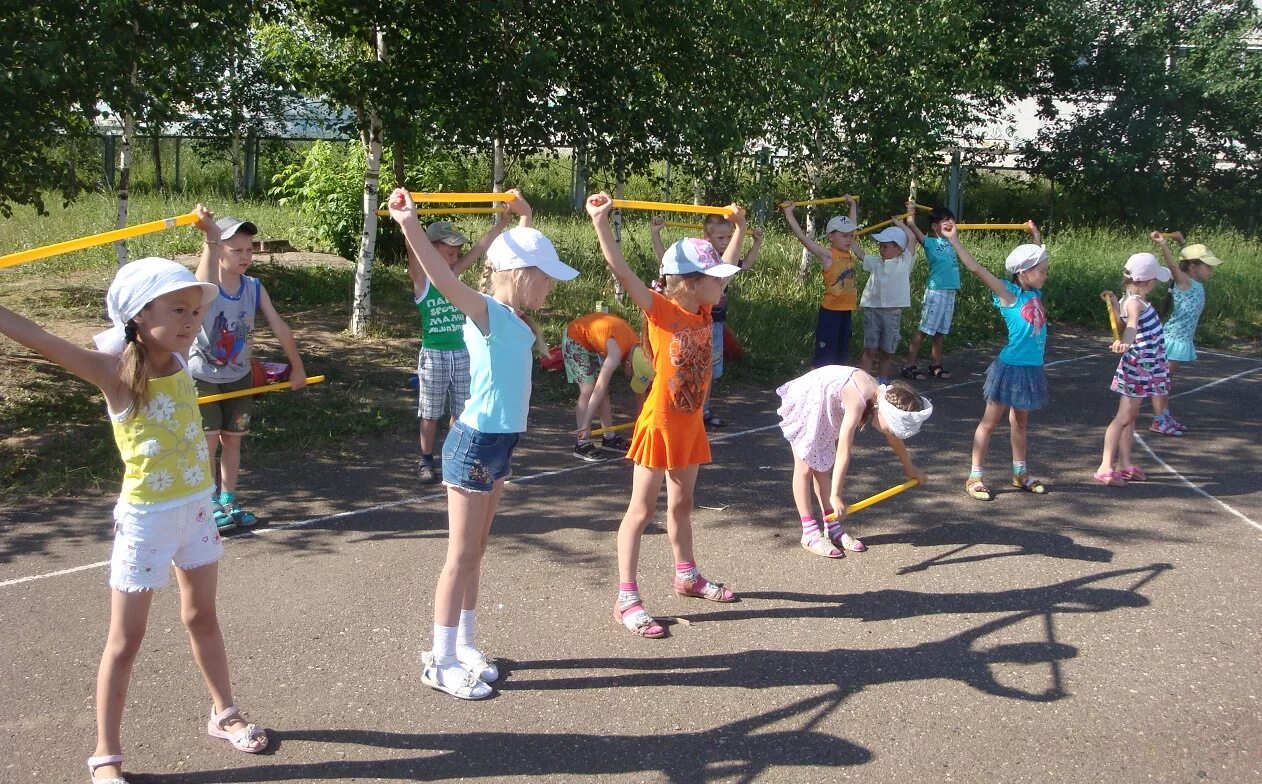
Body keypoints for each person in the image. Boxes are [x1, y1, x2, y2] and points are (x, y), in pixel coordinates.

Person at [0, 252, 269, 784]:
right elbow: (42, 341)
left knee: (202, 618)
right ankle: (106, 755)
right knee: (125, 640)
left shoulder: (184, 361)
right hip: (147, 520)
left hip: (197, 510)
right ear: (139, 317)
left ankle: (225, 712)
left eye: (195, 311)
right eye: (179, 311)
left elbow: (202, 276)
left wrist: (210, 242)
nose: (192, 321)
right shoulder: (115, 373)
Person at [387, 187, 578, 699]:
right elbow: (443, 277)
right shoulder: (487, 312)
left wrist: (524, 219)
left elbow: (514, 244)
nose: (550, 291)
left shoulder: (515, 318)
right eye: (545, 280)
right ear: (521, 276)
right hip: (473, 446)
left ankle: (465, 644)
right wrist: (409, 223)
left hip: (498, 446)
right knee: (460, 555)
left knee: (476, 552)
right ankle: (440, 658)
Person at [588, 191, 745, 639]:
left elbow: (726, 265)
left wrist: (739, 228)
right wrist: (601, 222)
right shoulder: (662, 310)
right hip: (660, 423)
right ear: (690, 282)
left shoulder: (704, 307)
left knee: (682, 505)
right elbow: (621, 269)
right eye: (715, 278)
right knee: (641, 511)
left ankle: (686, 575)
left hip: (690, 423)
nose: (723, 284)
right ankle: (626, 597)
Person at [191, 214, 307, 531]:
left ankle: (228, 500)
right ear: (220, 251)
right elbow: (200, 284)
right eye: (236, 250)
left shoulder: (254, 287)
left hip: (239, 378)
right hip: (203, 377)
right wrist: (209, 238)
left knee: (233, 440)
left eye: (249, 250)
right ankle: (206, 503)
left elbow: (279, 327)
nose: (245, 257)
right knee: (208, 442)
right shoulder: (208, 285)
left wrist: (296, 367)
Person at [409, 194, 532, 482]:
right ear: (431, 249)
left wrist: (502, 223)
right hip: (435, 354)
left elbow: (480, 248)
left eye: (456, 254)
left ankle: (453, 455)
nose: (456, 258)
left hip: (462, 353)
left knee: (462, 410)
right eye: (449, 252)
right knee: (429, 412)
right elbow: (414, 249)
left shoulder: (453, 276)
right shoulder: (423, 280)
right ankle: (425, 460)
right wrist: (409, 221)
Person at [776, 367, 930, 558]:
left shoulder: (882, 399)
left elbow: (894, 439)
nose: (889, 433)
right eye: (890, 428)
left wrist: (909, 467)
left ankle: (831, 524)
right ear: (881, 412)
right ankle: (809, 532)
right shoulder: (858, 399)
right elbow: (844, 450)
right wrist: (836, 495)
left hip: (825, 405)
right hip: (810, 399)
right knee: (805, 466)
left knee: (822, 466)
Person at [948, 223, 1052, 501]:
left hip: (1031, 369)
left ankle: (1020, 473)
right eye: (1041, 271)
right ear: (1024, 273)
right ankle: (975, 476)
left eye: (1045, 270)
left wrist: (1035, 238)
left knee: (1020, 423)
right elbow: (976, 269)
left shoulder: (1034, 293)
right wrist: (955, 240)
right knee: (989, 423)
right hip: (1010, 369)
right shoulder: (1009, 294)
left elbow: (1037, 256)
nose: (1045, 275)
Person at [651, 214, 762, 427]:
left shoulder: (706, 304)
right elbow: (667, 265)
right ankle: (694, 408)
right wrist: (655, 235)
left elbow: (738, 262)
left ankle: (703, 408)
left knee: (706, 368)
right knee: (684, 369)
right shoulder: (690, 274)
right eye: (721, 237)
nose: (726, 242)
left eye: (729, 237)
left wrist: (743, 230)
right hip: (664, 415)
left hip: (712, 322)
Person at [1097, 253, 1171, 486]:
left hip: (1145, 368)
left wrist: (1114, 308)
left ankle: (1125, 463)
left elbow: (1122, 323)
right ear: (1148, 282)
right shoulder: (1135, 303)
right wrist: (1126, 342)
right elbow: (1130, 328)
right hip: (1138, 368)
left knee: (1132, 416)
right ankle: (1105, 466)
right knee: (1123, 417)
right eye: (1155, 281)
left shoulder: (1129, 301)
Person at [1147, 232, 1222, 435]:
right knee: (1161, 382)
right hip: (1171, 340)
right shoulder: (1184, 282)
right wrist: (1163, 244)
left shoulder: (1194, 282)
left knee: (1166, 382)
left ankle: (1165, 415)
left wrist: (1182, 242)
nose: (1211, 270)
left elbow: (1185, 258)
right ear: (1194, 267)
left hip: (1181, 340)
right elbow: (1174, 265)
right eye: (1208, 266)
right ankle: (1158, 420)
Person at [563, 311, 654, 461]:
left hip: (595, 340)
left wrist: (643, 424)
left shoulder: (638, 349)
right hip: (575, 337)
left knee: (603, 392)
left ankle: (609, 437)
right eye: (632, 375)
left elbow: (640, 395)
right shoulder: (616, 355)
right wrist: (587, 422)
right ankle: (582, 441)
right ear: (628, 365)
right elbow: (598, 388)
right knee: (589, 388)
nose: (629, 376)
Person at [782, 197, 859, 367]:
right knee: (825, 355)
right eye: (844, 235)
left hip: (846, 311)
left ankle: (837, 388)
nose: (849, 239)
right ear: (831, 236)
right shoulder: (828, 255)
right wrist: (789, 214)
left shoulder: (848, 251)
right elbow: (803, 238)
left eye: (851, 236)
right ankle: (819, 384)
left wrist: (852, 204)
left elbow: (853, 224)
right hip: (830, 313)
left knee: (842, 354)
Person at [901, 205, 961, 381]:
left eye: (952, 220)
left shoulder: (951, 241)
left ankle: (935, 364)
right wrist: (911, 209)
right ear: (935, 226)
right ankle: (909, 365)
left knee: (940, 331)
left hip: (950, 292)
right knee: (925, 328)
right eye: (945, 221)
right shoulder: (930, 242)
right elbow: (911, 224)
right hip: (936, 292)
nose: (950, 223)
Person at [856, 217, 916, 384]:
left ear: (898, 249)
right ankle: (861, 383)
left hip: (892, 314)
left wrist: (900, 224)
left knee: (887, 352)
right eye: (880, 245)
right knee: (870, 349)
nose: (881, 249)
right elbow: (861, 254)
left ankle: (881, 382)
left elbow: (911, 238)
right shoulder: (876, 262)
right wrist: (852, 239)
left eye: (885, 246)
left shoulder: (905, 262)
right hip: (872, 311)